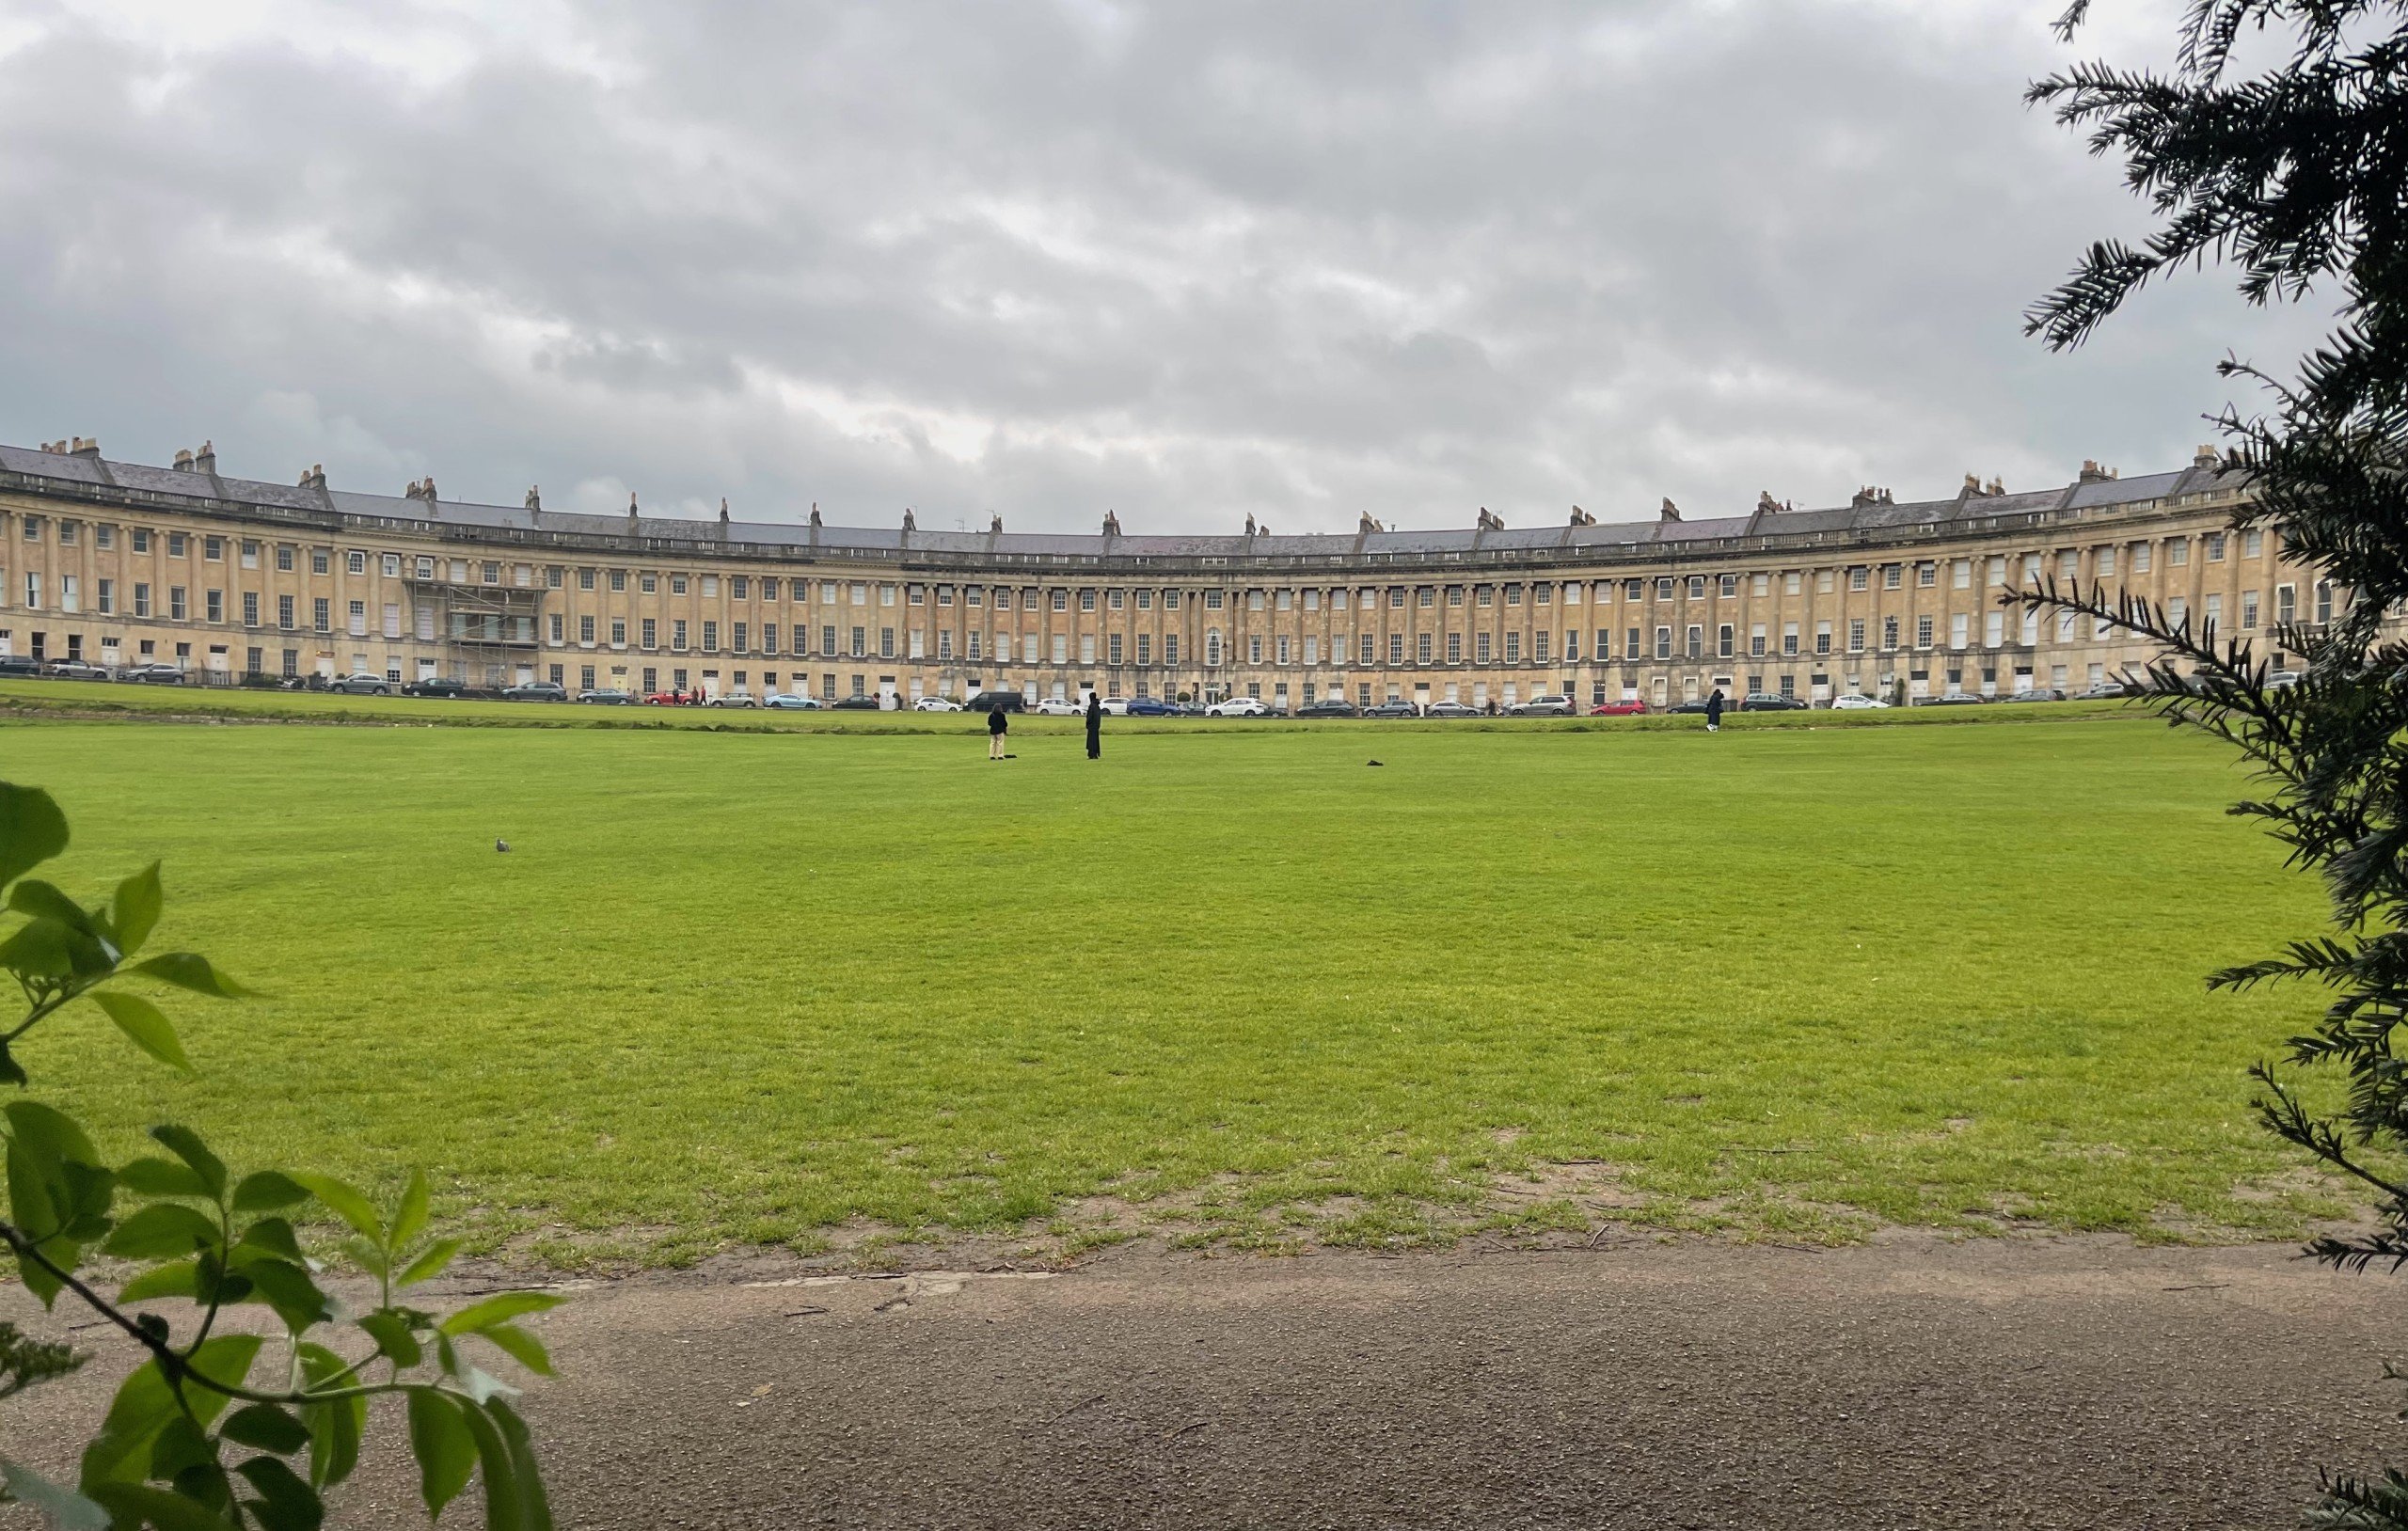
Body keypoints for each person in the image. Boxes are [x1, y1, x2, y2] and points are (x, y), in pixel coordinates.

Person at [1085, 692, 1102, 759]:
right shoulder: (1097, 706)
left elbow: (1089, 716)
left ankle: (1092, 754)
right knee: (1095, 740)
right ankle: (1094, 754)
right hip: (1096, 726)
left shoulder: (1092, 706)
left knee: (1091, 741)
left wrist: (1087, 723)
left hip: (1092, 726)